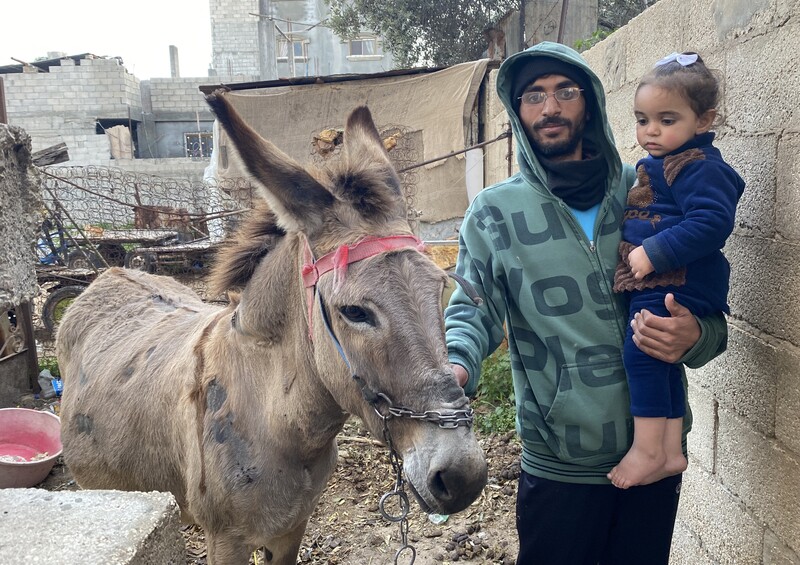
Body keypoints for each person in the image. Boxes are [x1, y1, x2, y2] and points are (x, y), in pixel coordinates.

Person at [444, 41, 728, 565]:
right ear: (517, 110)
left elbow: (703, 293)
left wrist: (699, 335)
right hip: (561, 463)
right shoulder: (493, 213)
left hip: (657, 452)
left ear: (589, 102)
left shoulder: (643, 189)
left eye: (565, 92)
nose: (550, 107)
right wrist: (457, 364)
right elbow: (473, 308)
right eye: (533, 96)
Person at [607, 53, 745, 490]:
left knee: (640, 352)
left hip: (675, 280)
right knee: (658, 360)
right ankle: (667, 450)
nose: (651, 130)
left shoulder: (697, 165)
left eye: (667, 119)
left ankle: (647, 450)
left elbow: (712, 222)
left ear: (704, 121)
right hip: (669, 278)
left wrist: (654, 253)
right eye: (642, 119)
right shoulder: (666, 161)